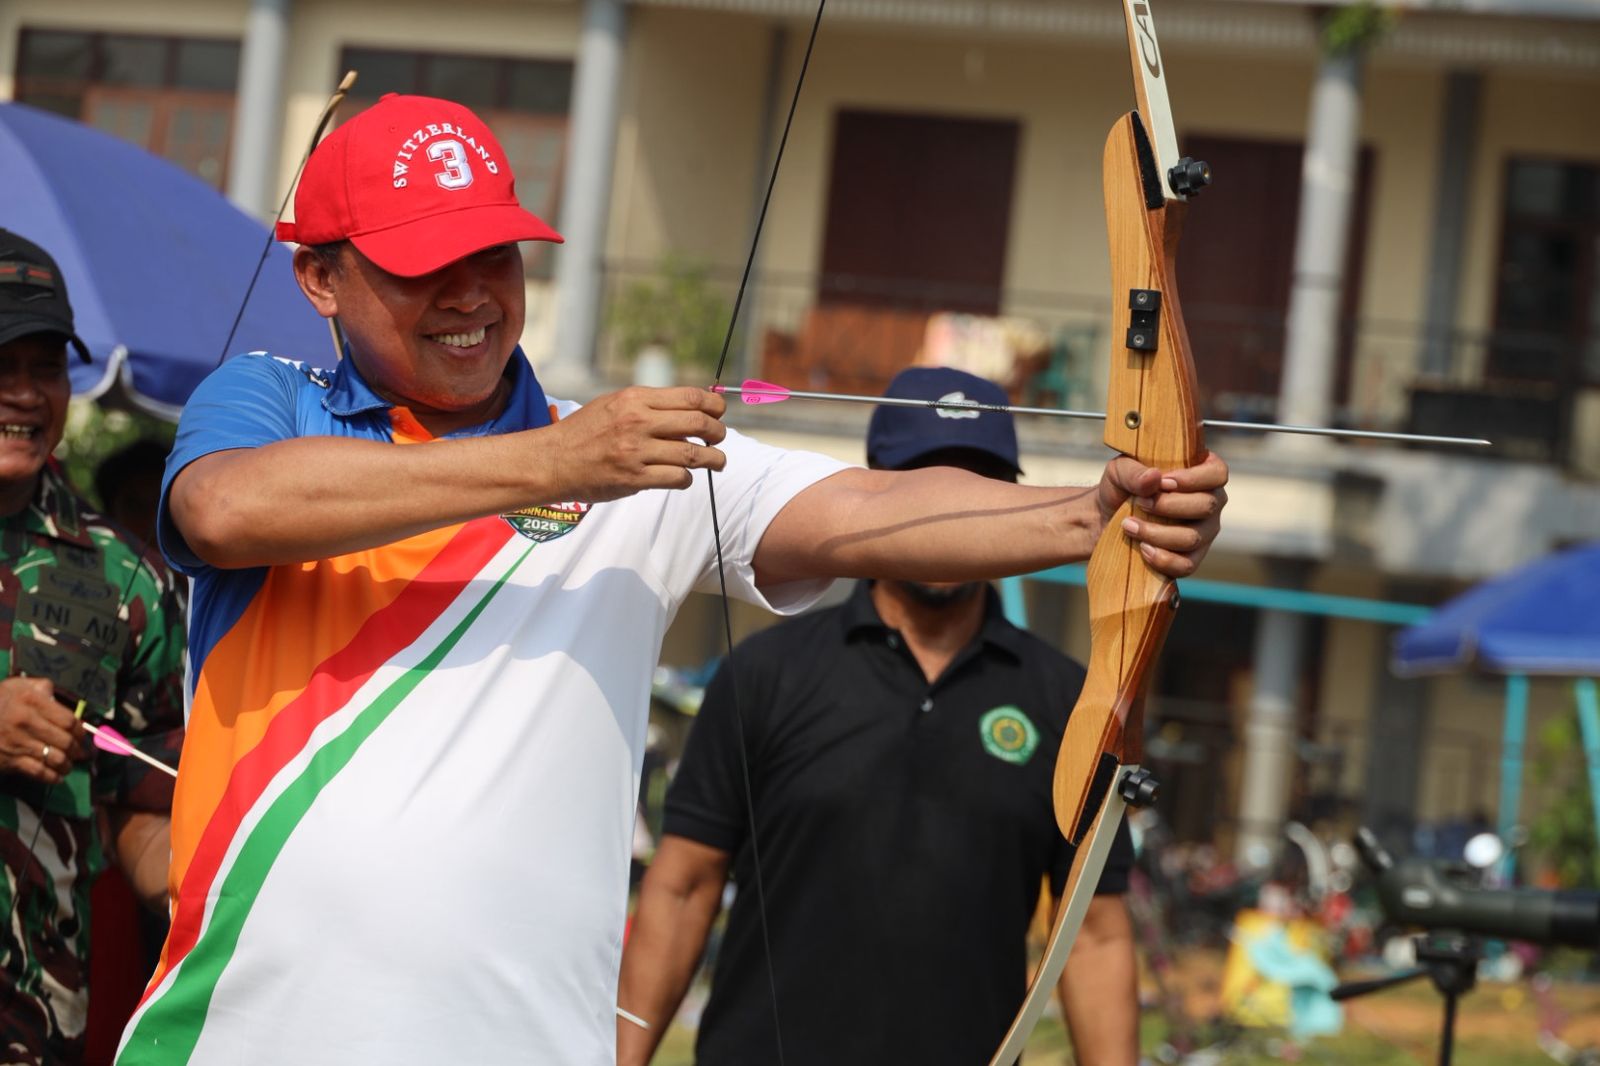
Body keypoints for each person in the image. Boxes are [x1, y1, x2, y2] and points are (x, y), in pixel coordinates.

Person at [118, 93, 1226, 1064]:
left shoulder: (633, 457)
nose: (471, 297)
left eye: (494, 257)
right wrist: (554, 462)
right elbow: (224, 510)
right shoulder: (272, 399)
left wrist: (1094, 515)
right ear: (319, 275)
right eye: (422, 268)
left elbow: (868, 515)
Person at [617, 367, 1140, 1066]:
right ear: (873, 490)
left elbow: (1096, 930)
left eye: (978, 488)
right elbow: (683, 885)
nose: (953, 515)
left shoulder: (1071, 698)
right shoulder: (769, 672)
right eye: (923, 486)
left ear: (1014, 499)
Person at [0, 229, 186, 1064]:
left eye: (44, 367)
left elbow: (139, 808)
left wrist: (204, 888)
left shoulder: (126, 580)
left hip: (34, 1027)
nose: (24, 394)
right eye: (0, 365)